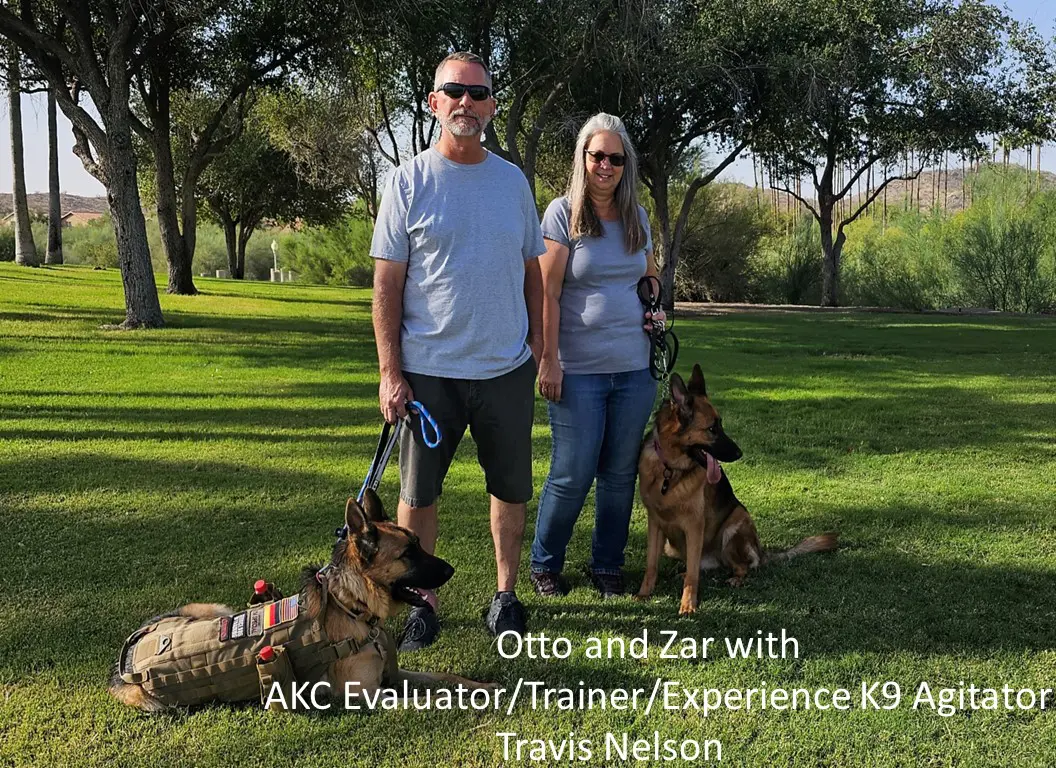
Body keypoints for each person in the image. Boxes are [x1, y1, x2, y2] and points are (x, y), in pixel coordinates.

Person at [370, 52, 545, 650]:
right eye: (454, 92)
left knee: (510, 489)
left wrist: (540, 344)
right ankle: (423, 604)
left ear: (492, 106)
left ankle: (505, 596)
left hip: (504, 370)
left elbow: (532, 270)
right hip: (428, 376)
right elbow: (387, 283)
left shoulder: (513, 182)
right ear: (434, 102)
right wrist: (391, 372)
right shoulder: (407, 182)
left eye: (477, 94)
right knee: (418, 497)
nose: (466, 103)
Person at [529, 113, 663, 599]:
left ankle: (607, 562)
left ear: (626, 165)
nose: (605, 166)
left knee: (619, 473)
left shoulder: (637, 217)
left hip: (634, 368)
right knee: (573, 471)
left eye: (615, 158)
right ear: (583, 159)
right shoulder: (562, 214)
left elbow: (649, 276)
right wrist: (548, 359)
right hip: (577, 369)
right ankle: (545, 561)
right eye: (597, 156)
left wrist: (655, 307)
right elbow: (547, 290)